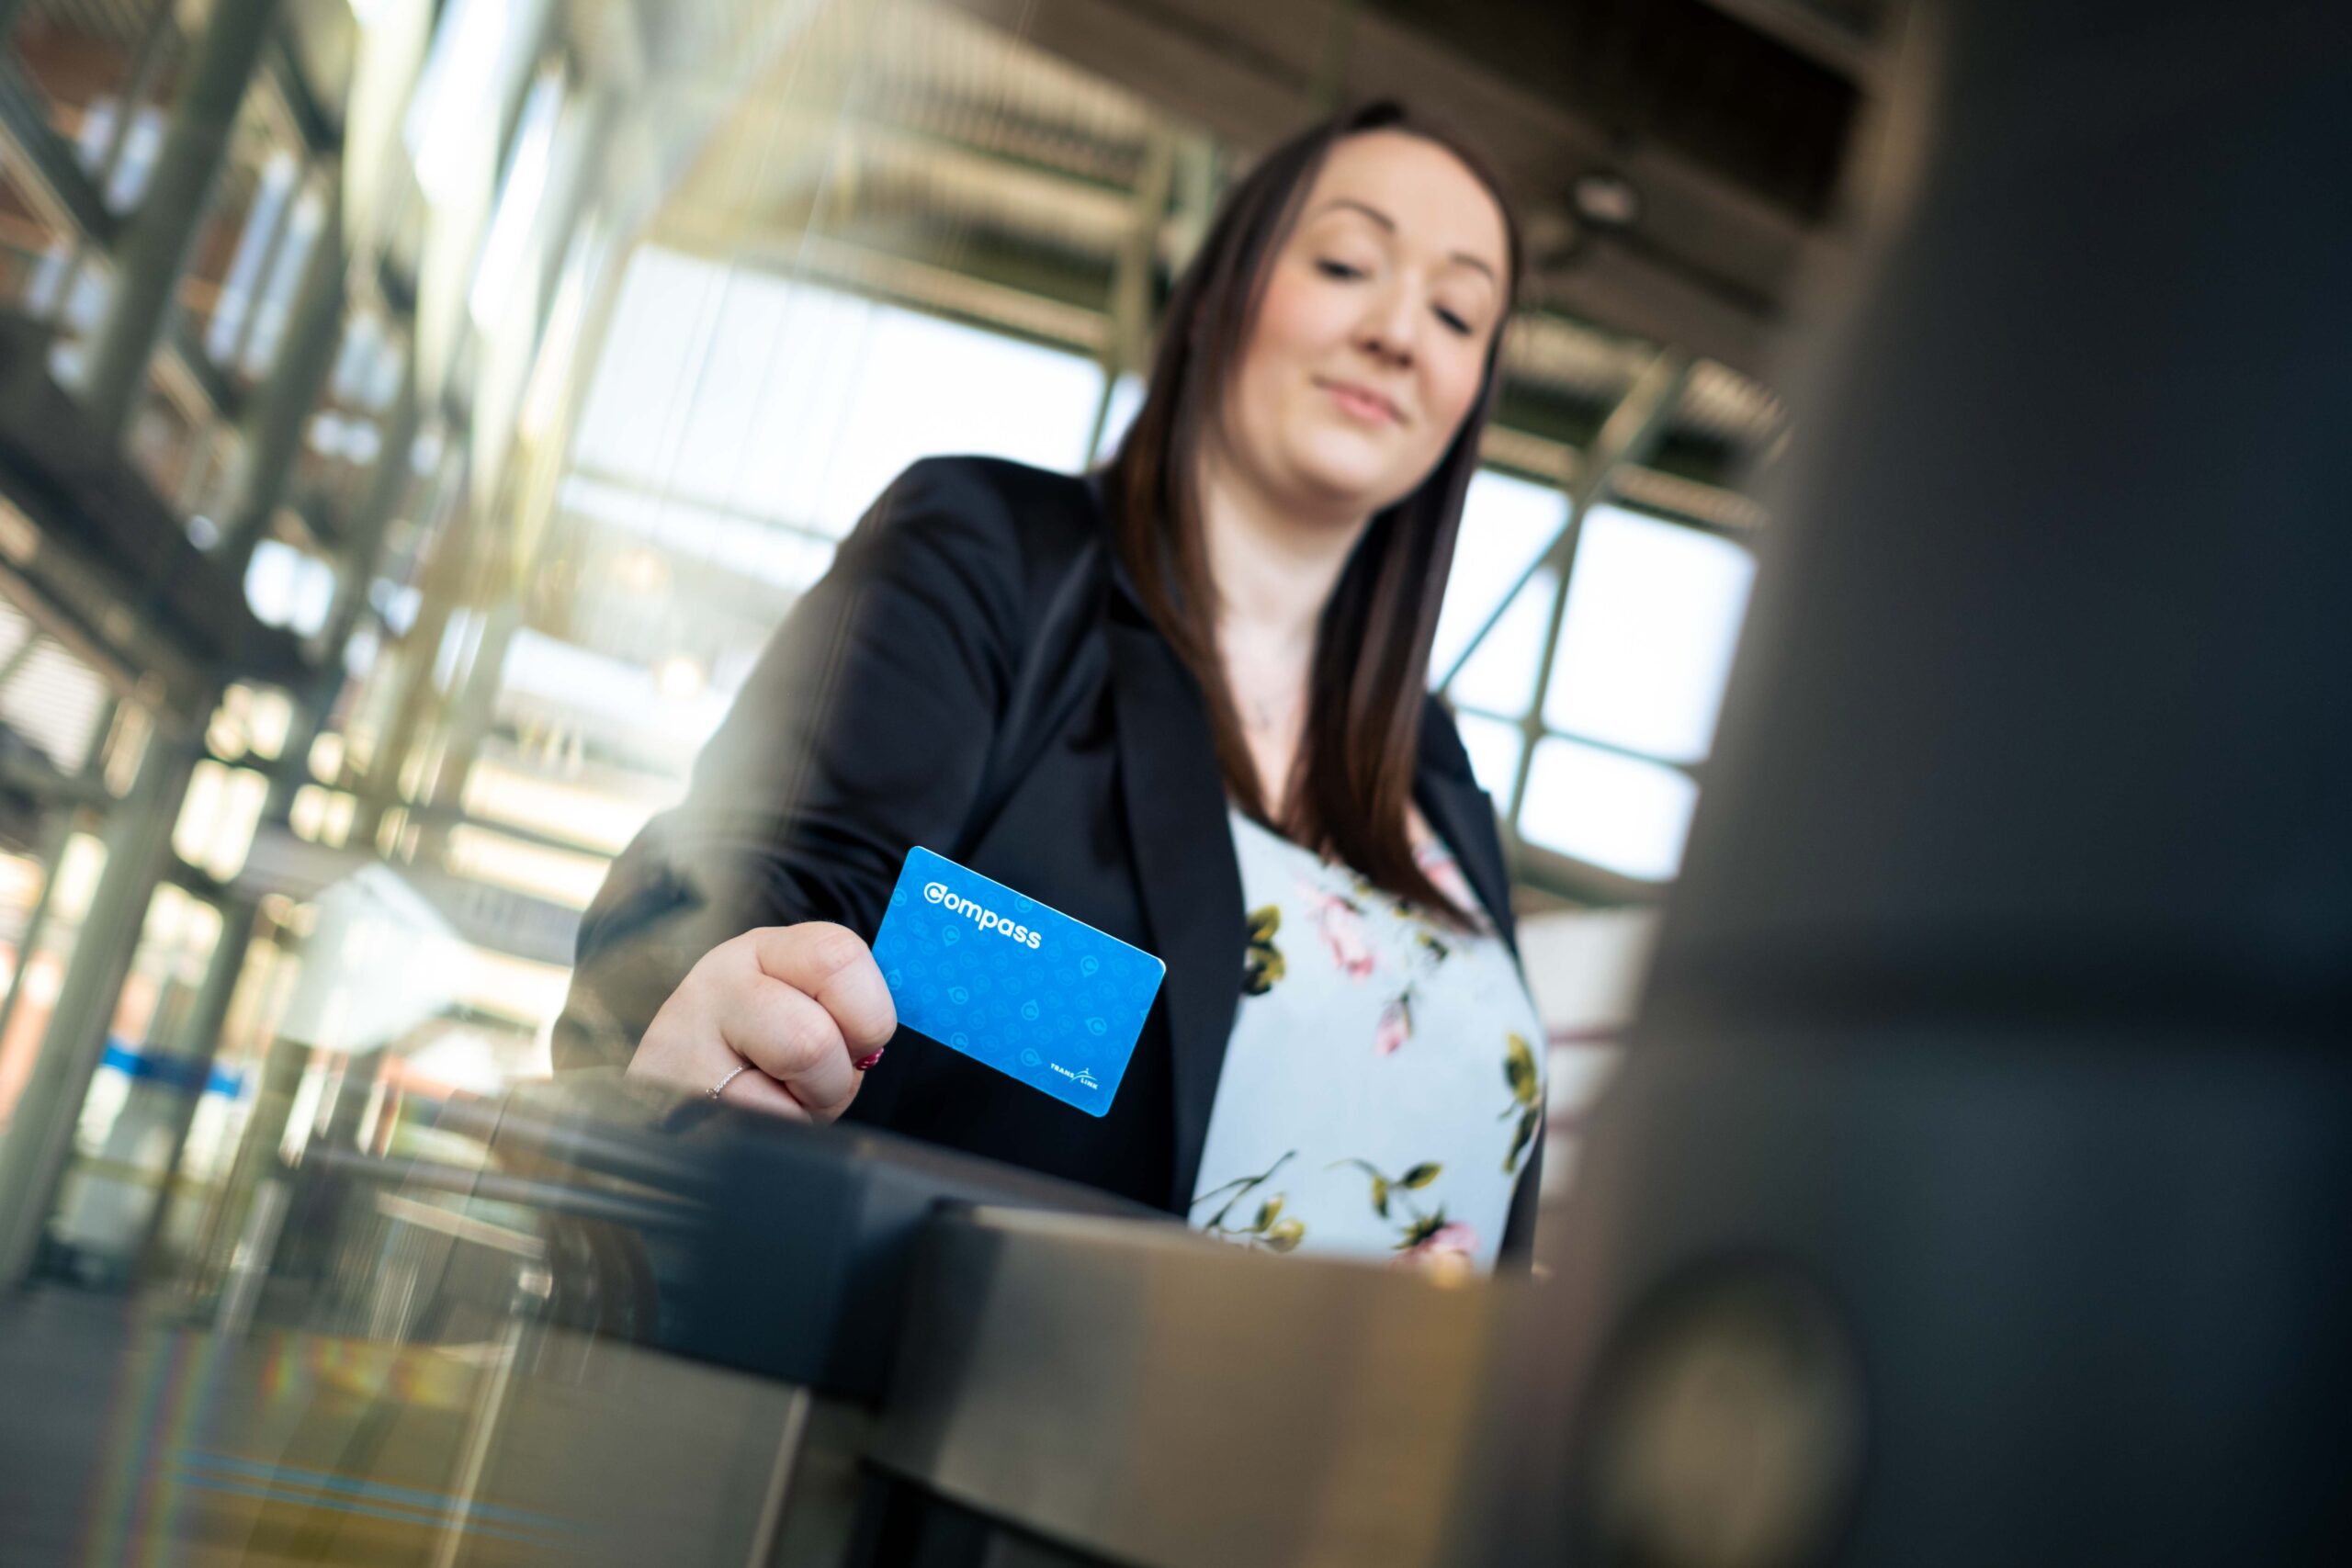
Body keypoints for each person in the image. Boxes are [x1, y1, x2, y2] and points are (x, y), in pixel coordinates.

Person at [555, 99, 1548, 1270]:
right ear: (1226, 291)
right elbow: (776, 880)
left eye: (1455, 311)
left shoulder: (1433, 764)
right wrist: (708, 998)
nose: (1398, 332)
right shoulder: (999, 553)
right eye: (1346, 264)